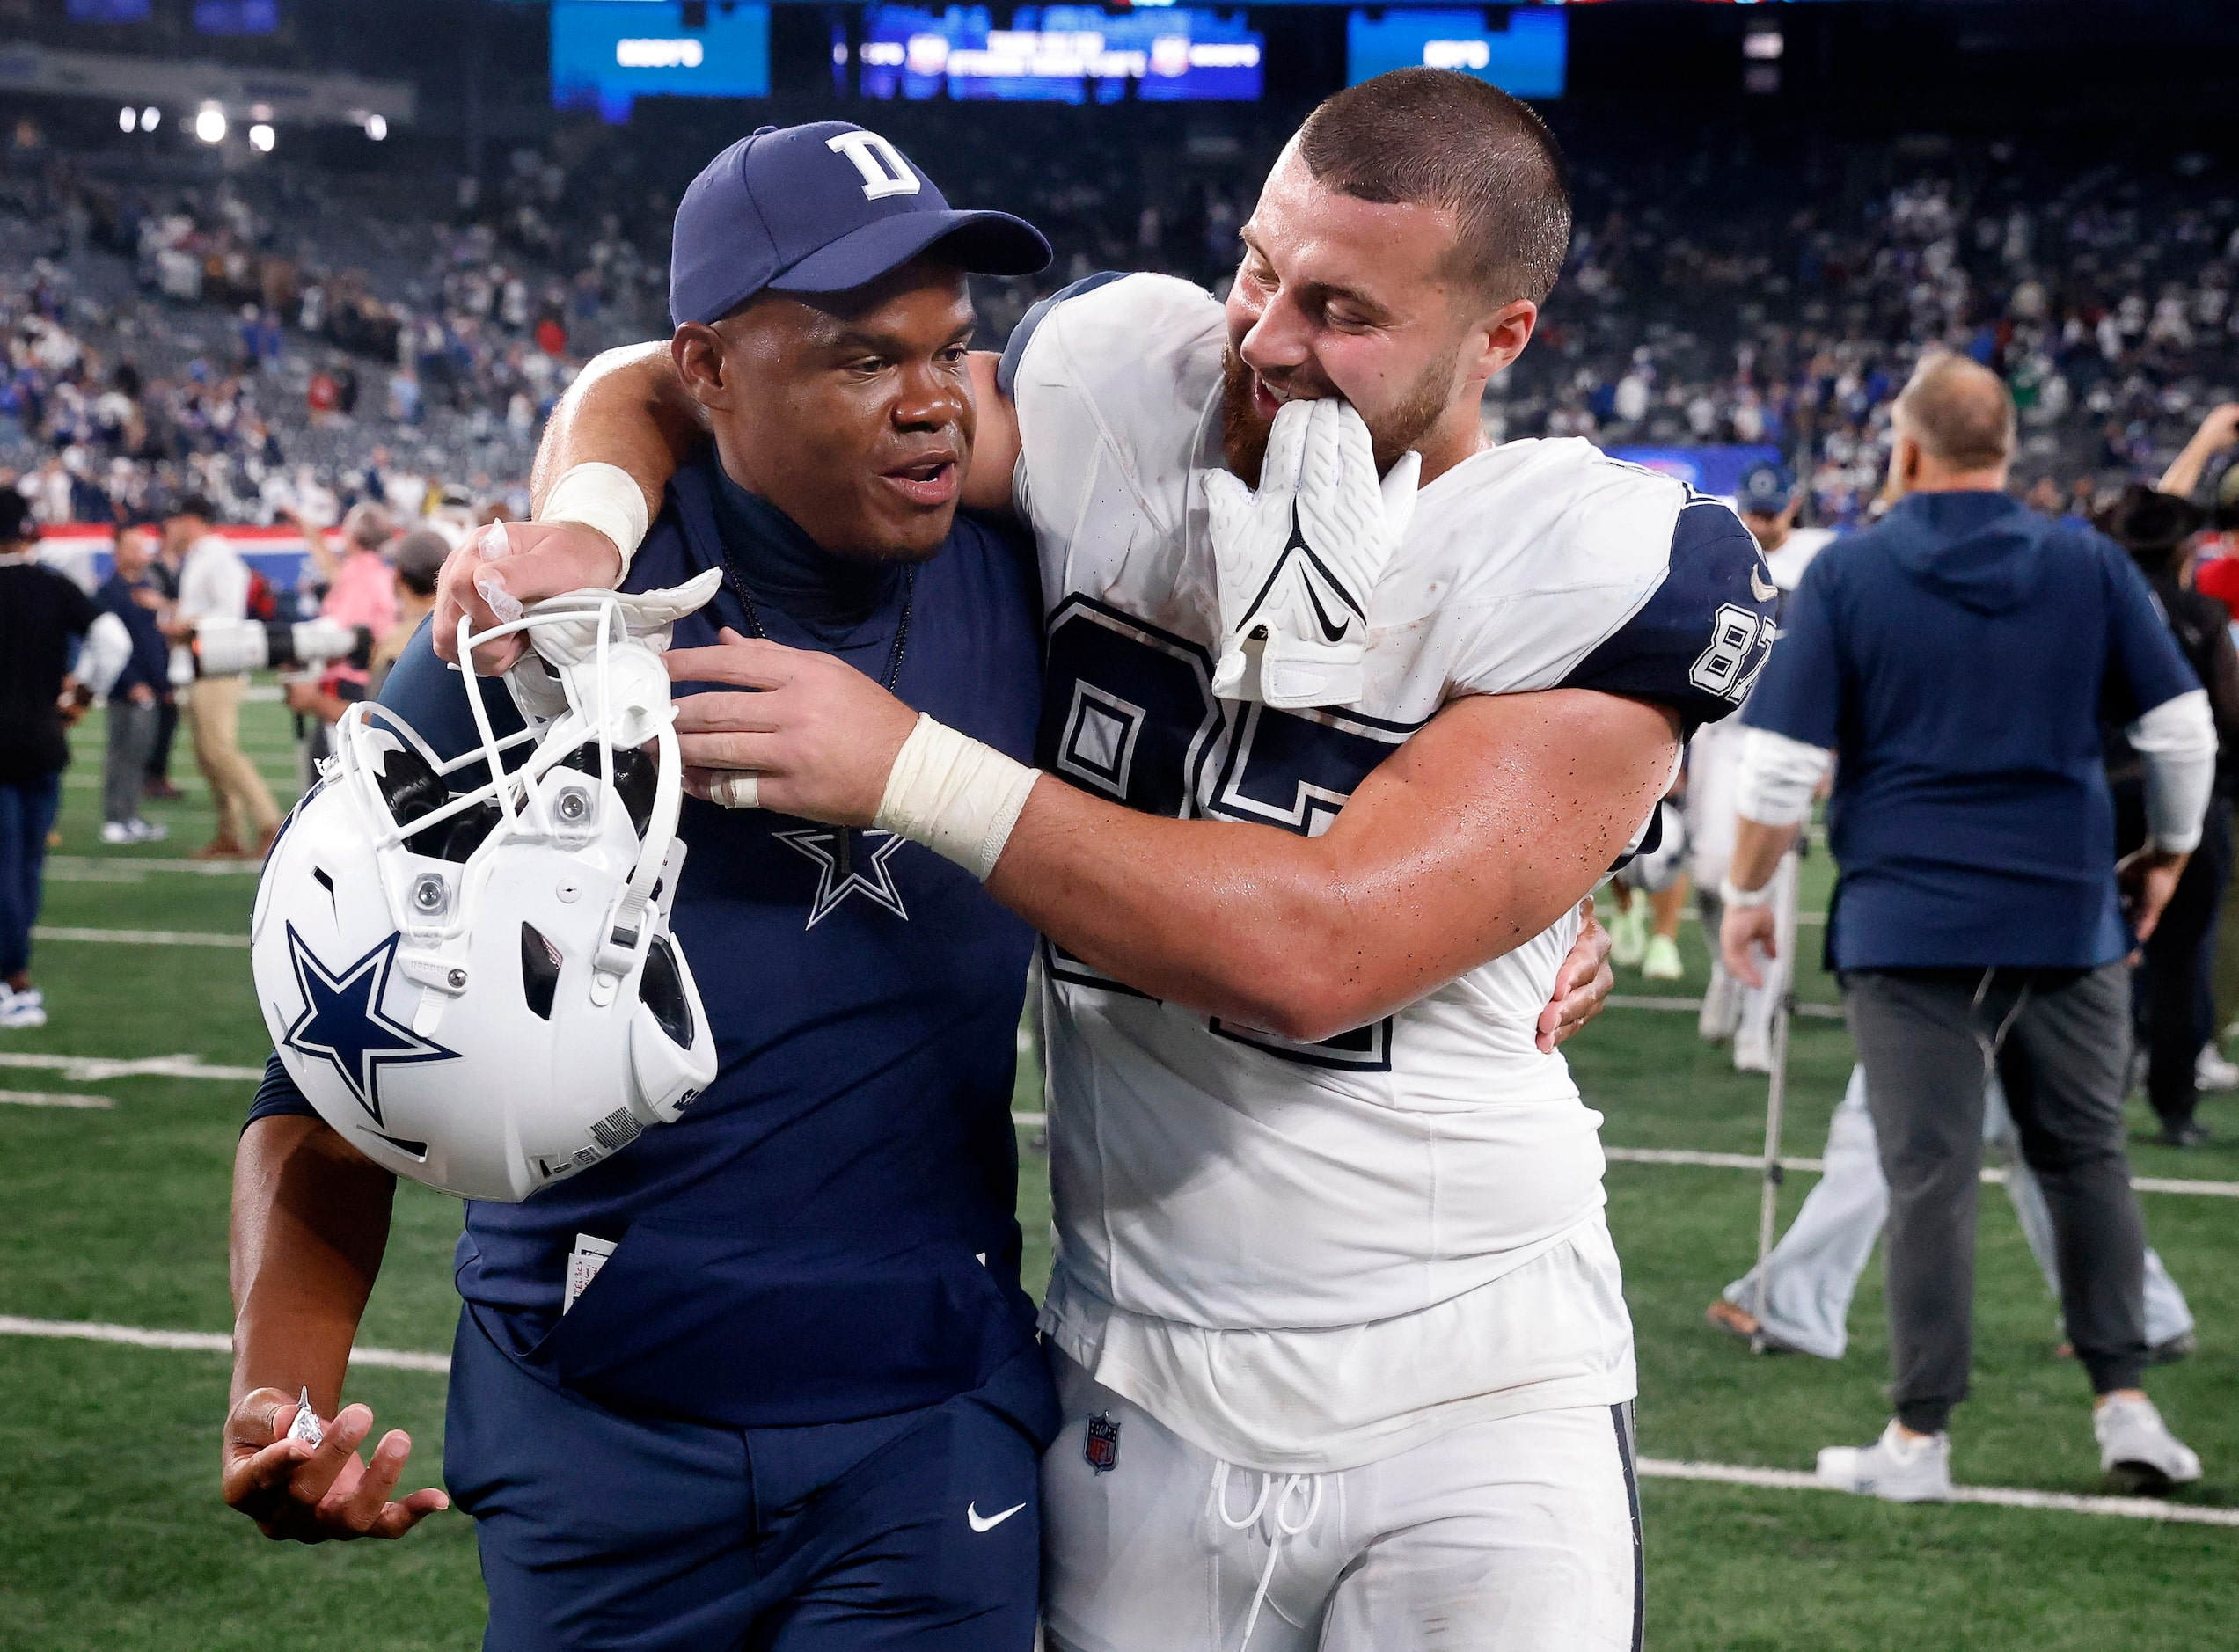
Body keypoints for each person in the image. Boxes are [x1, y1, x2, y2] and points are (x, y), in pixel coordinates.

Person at [225, 122, 1619, 1651]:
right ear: (711, 367)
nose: (932, 400)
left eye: (952, 348)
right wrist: (279, 1386)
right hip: (596, 1425)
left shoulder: (1029, 569)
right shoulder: (538, 633)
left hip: (930, 1421)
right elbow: (332, 1051)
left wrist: (1526, 911)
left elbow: (1276, 773)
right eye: (858, 359)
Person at [1720, 351, 2213, 1502]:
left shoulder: (1850, 571)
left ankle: (1919, 1438)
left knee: (1925, 1173)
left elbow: (1784, 765)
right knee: (2085, 1157)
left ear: (1902, 449)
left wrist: (1749, 891)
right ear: (2006, 452)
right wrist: (2171, 858)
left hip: (1905, 917)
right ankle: (2124, 1403)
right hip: (2064, 907)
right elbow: (2181, 729)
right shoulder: (2087, 560)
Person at [1707, 1064, 2196, 1363]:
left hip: (1943, 952)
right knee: (2046, 1148)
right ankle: (2137, 1315)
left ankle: (1792, 1304)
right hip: (2052, 951)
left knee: (1884, 1129)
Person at [2097, 483, 2239, 1144]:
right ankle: (2175, 1109)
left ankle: (2093, 1088)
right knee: (2182, 959)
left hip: (2098, 799)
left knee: (2088, 956)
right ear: (2183, 550)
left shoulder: (2089, 611)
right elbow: (2227, 716)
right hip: (2184, 803)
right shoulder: (2202, 615)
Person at [1687, 460, 1833, 1071]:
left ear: (1792, 508)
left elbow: (1824, 671)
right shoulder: (1716, 559)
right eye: (1753, 510)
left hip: (1772, 741)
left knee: (1763, 884)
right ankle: (1725, 969)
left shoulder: (1815, 571)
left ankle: (1755, 1027)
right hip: (1713, 738)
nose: (1761, 522)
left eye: (1770, 513)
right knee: (1706, 879)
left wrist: (1823, 750)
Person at [0, 490, 99, 1029]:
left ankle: (12, 977)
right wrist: (82, 697)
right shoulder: (54, 585)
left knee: (3, 866)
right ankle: (16, 975)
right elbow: (110, 639)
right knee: (28, 864)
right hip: (42, 739)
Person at [159, 496, 282, 860]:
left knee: (219, 749)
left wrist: (188, 624)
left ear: (191, 520)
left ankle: (268, 822)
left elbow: (230, 612)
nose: (168, 529)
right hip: (201, 662)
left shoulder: (218, 557)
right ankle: (230, 831)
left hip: (219, 663)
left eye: (173, 519)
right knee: (206, 754)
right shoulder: (199, 558)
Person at [92, 523, 172, 845]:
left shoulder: (149, 588)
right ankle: (115, 818)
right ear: (118, 552)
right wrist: (132, 682)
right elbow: (108, 644)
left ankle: (130, 815)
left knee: (139, 754)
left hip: (151, 687)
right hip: (127, 689)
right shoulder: (109, 593)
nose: (142, 553)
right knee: (121, 753)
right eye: (134, 547)